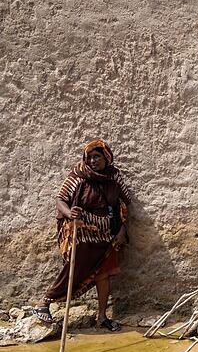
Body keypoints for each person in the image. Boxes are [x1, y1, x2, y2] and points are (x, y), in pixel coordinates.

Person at [31, 139, 132, 331]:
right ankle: (44, 302)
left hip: (106, 236)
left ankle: (102, 317)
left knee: (103, 275)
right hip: (82, 234)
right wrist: (70, 214)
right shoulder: (78, 175)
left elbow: (125, 205)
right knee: (75, 268)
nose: (93, 161)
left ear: (106, 157)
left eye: (97, 156)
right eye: (90, 157)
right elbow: (61, 200)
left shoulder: (114, 178)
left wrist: (122, 229)